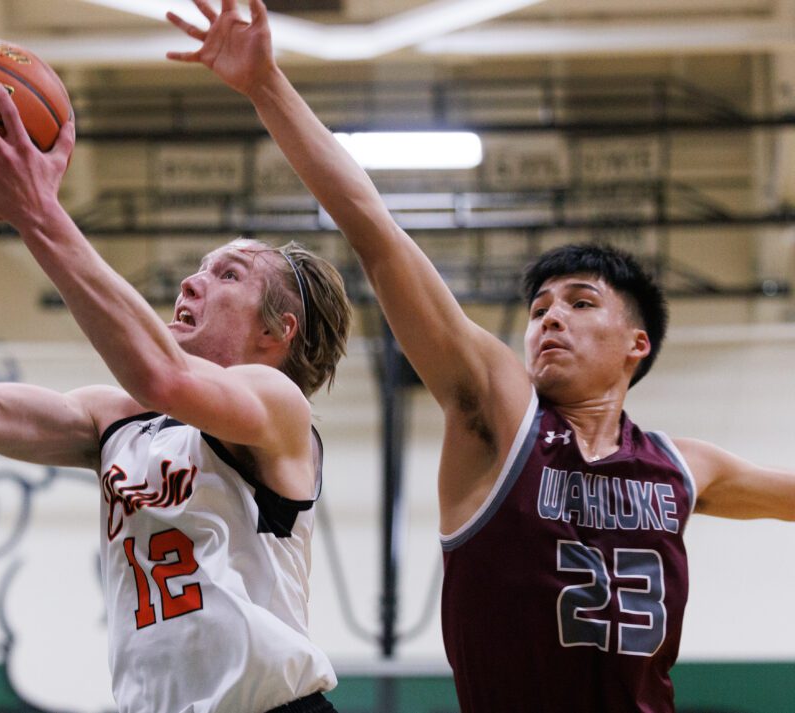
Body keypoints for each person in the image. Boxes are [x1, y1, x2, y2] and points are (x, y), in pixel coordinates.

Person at [167, 1, 795, 711]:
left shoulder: (686, 466)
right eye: (538, 309)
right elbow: (376, 234)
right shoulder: (499, 414)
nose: (550, 317)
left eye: (580, 303)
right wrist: (266, 86)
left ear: (636, 344)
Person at [0, 73, 351, 713]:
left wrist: (39, 210)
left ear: (276, 331)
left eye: (228, 274)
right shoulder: (115, 419)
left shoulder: (276, 405)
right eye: (197, 268)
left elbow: (161, 376)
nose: (191, 282)